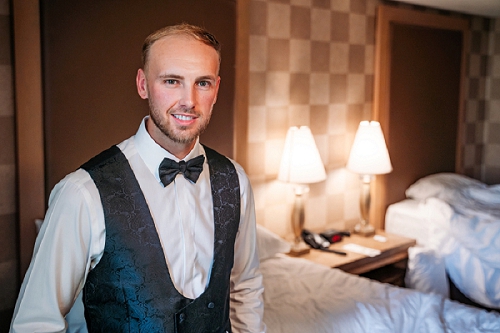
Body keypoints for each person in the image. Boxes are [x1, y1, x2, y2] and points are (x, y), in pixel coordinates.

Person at [10, 23, 265, 333]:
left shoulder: (235, 180)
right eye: (172, 81)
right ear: (143, 85)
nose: (189, 100)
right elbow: (36, 323)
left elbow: (245, 286)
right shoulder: (82, 192)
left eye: (203, 83)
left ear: (217, 89)